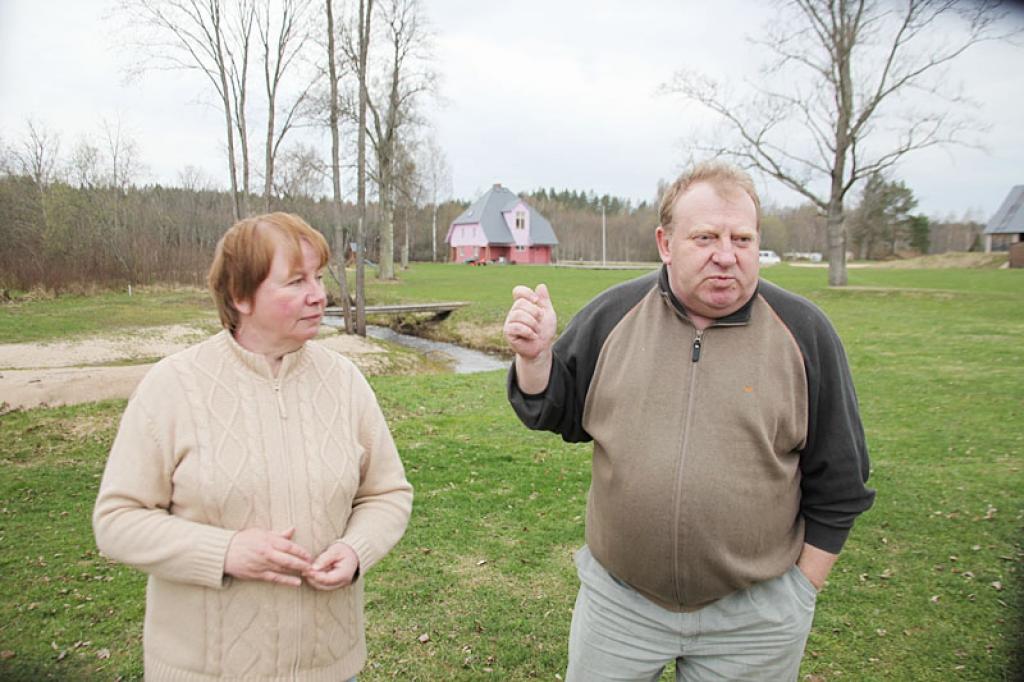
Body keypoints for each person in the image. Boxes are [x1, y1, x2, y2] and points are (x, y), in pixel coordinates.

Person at [503, 161, 874, 681]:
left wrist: (800, 589)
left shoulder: (805, 333)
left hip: (755, 620)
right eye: (706, 237)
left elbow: (842, 479)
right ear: (665, 243)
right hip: (620, 607)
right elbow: (556, 410)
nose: (727, 255)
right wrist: (535, 358)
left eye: (743, 239)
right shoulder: (614, 315)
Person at [93, 212, 412, 681]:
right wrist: (224, 552)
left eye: (319, 277)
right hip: (208, 670)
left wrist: (356, 549)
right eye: (295, 281)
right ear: (240, 296)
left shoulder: (345, 381)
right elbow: (116, 521)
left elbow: (387, 493)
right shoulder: (173, 386)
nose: (318, 295)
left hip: (329, 667)